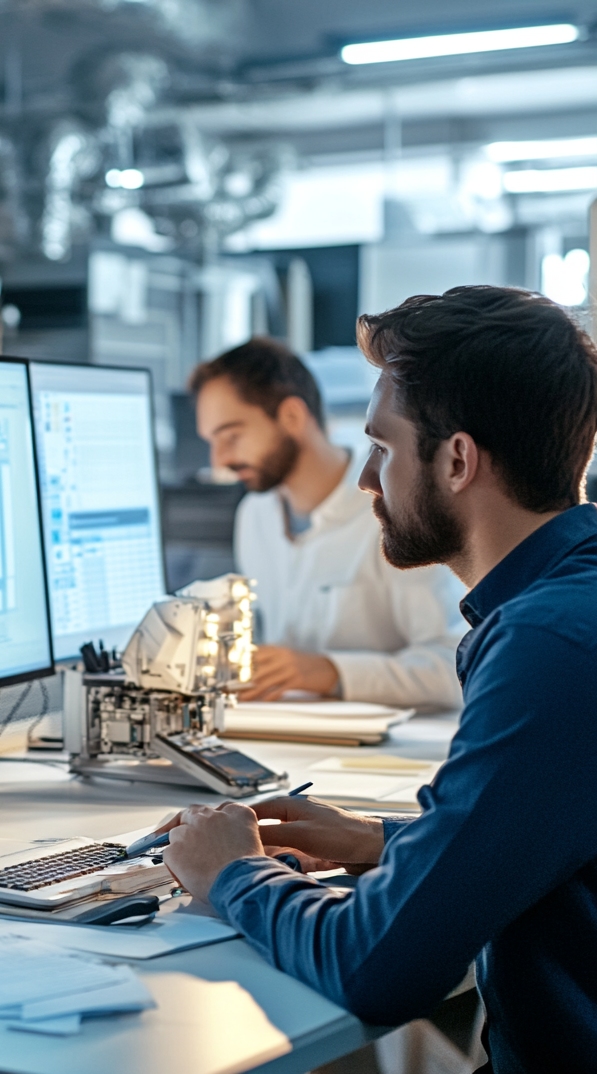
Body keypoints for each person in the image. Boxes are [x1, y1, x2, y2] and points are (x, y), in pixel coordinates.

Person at [162, 286, 597, 1074]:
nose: (366, 478)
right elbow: (556, 840)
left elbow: (378, 969)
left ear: (458, 460)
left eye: (384, 447)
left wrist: (236, 873)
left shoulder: (549, 644)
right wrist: (386, 842)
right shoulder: (568, 605)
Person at [190, 338, 462, 708]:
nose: (220, 460)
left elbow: (455, 669)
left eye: (232, 436)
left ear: (291, 417)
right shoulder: (254, 517)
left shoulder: (390, 507)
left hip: (392, 745)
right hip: (292, 737)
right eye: (210, 442)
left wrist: (329, 672)